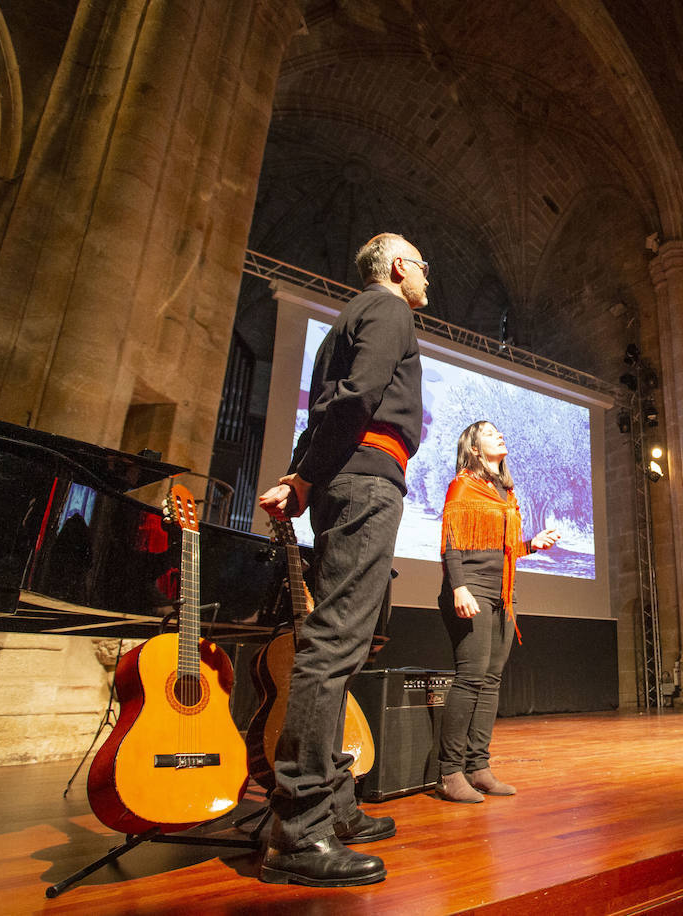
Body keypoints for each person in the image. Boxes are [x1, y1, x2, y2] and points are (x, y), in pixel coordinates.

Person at [255, 232, 429, 887]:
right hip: (365, 480)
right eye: (421, 268)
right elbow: (357, 400)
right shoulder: (389, 310)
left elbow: (326, 408)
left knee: (340, 644)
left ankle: (336, 806)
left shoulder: (344, 322)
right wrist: (303, 479)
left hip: (342, 478)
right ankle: (299, 832)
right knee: (333, 645)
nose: (426, 280)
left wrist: (303, 475)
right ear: (394, 267)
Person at [434, 421, 559, 803]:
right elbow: (452, 544)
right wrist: (458, 587)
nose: (499, 435)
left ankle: (479, 767)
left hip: (503, 594)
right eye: (489, 433)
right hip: (470, 590)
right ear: (473, 448)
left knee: (491, 681)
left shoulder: (505, 492)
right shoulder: (463, 485)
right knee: (471, 677)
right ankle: (449, 772)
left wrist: (530, 545)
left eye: (499, 431)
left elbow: (497, 549)